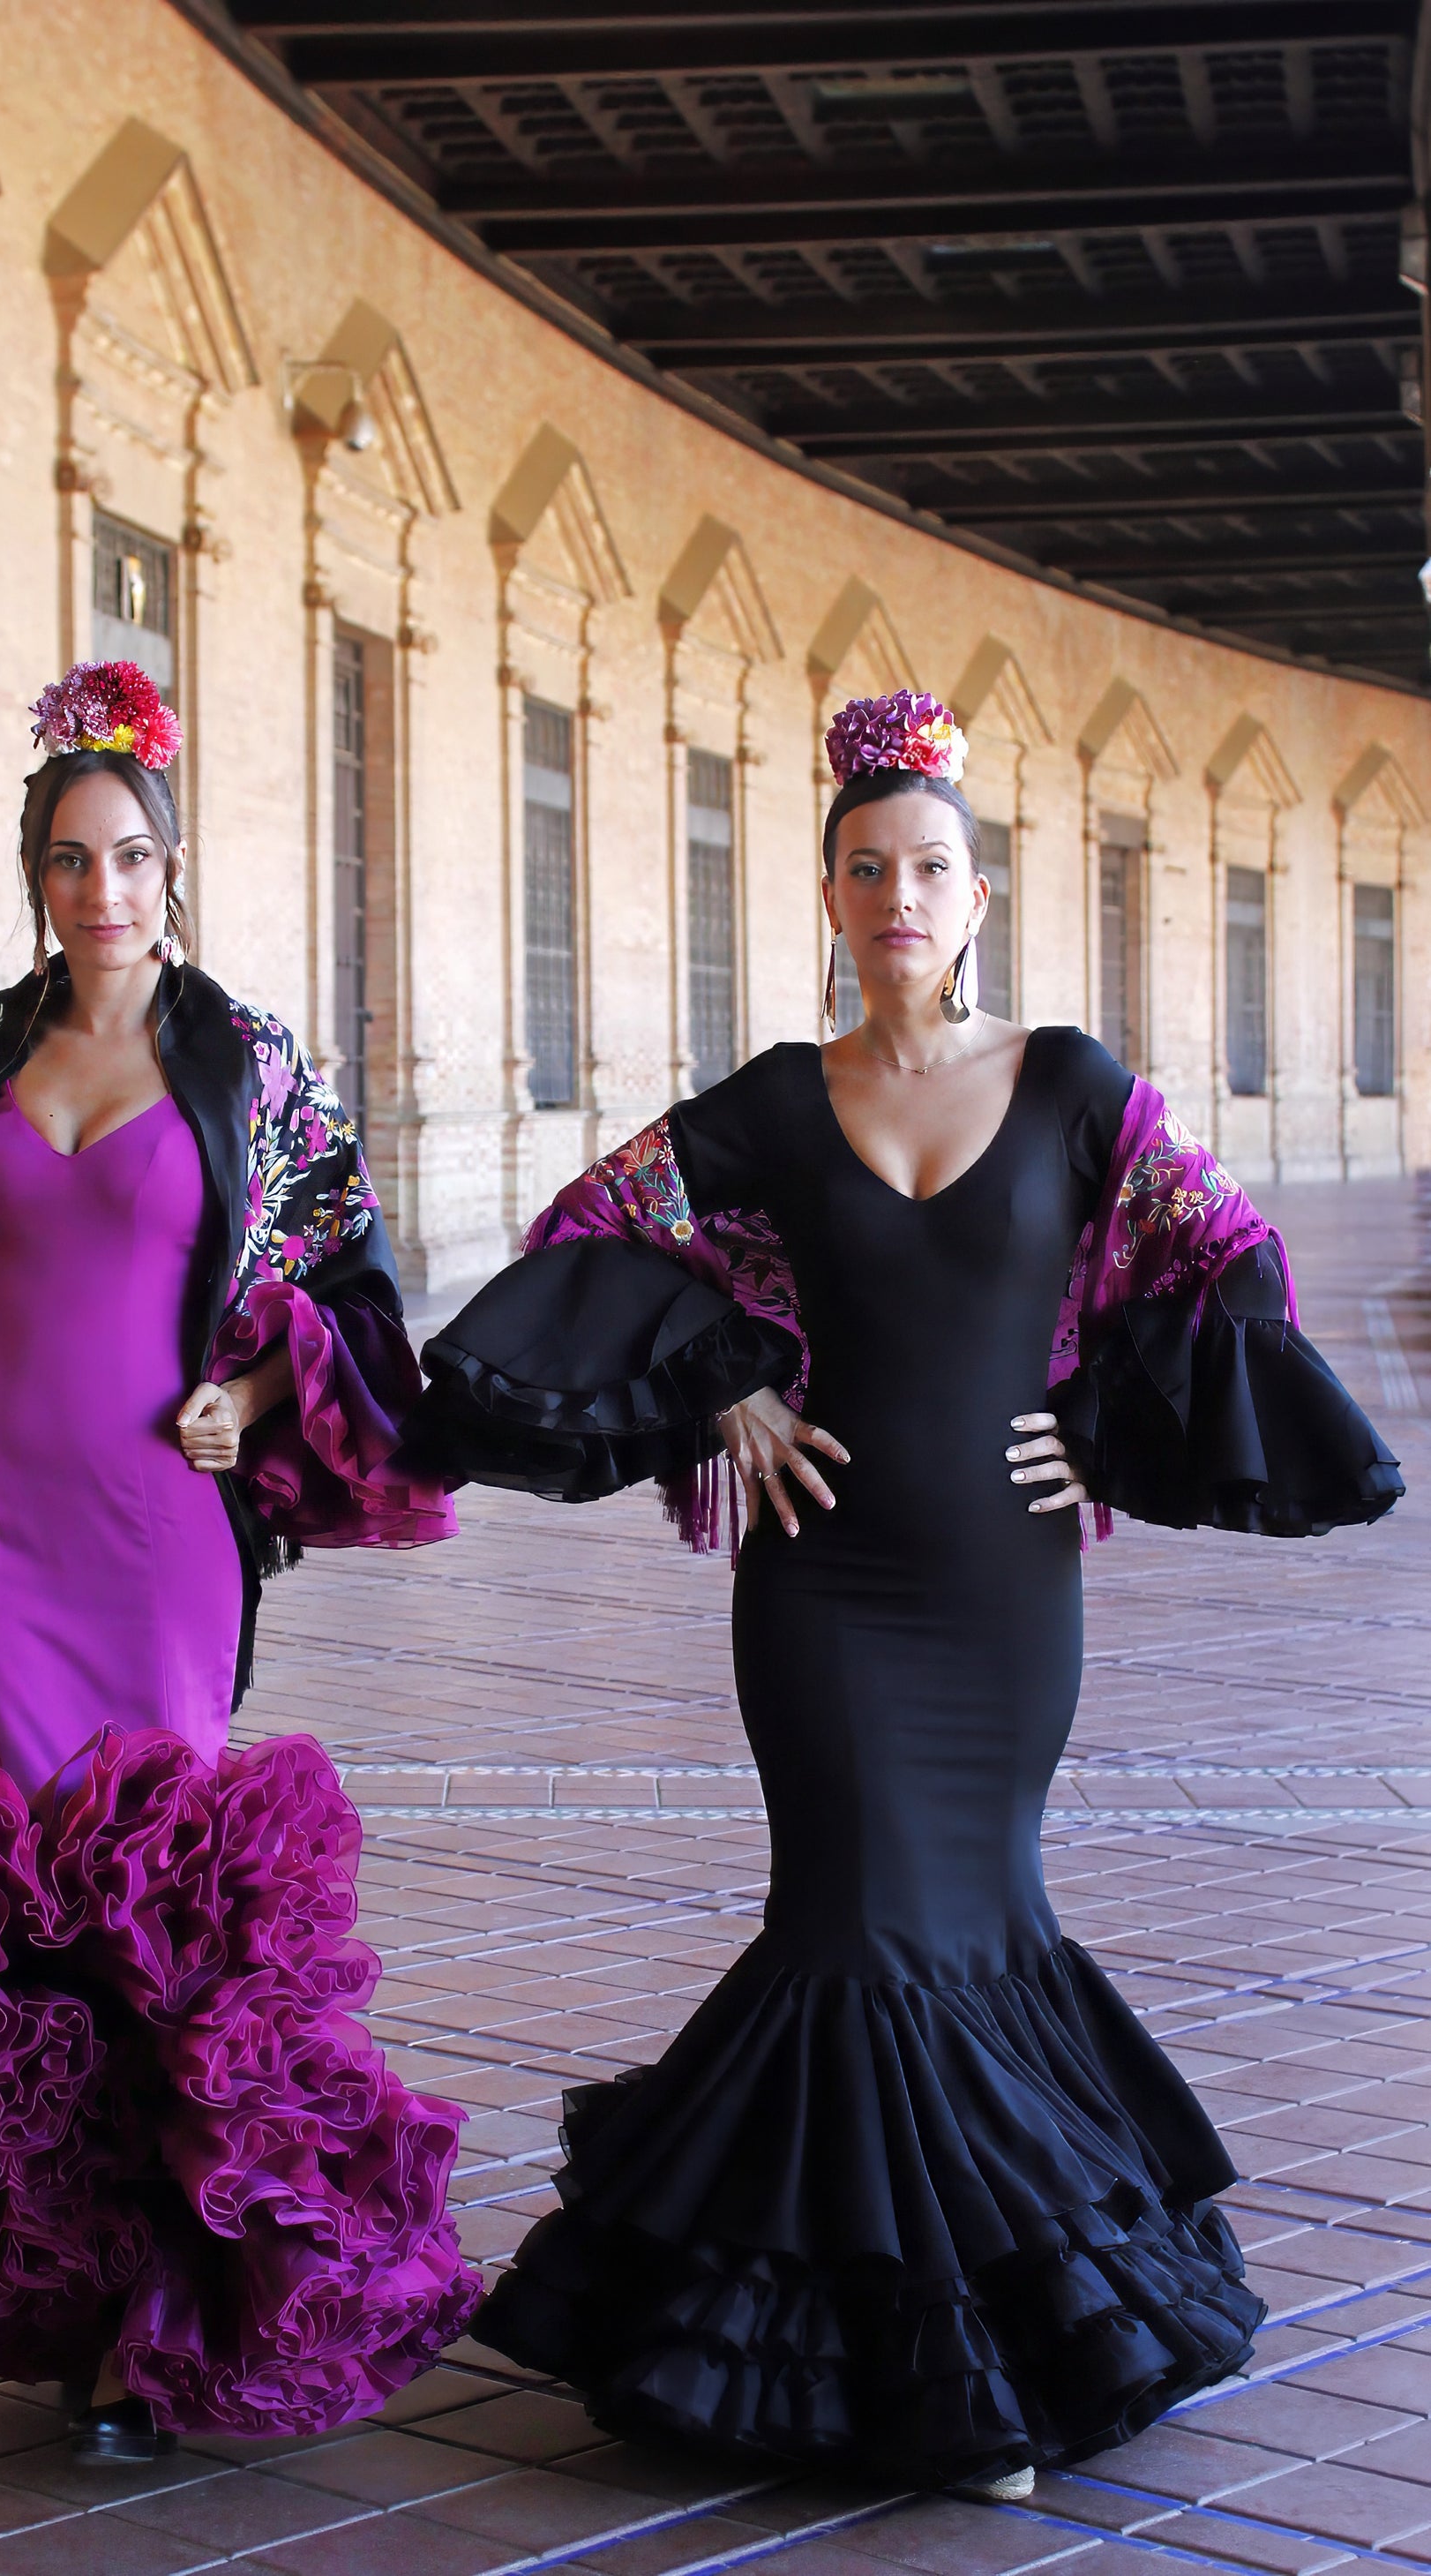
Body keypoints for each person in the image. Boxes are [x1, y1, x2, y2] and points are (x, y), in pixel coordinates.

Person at [408, 688, 1404, 2502]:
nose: (898, 897)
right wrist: (724, 1381)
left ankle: (973, 2344)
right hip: (823, 1584)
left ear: (976, 891)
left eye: (928, 867)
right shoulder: (780, 1100)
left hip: (1002, 1594)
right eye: (865, 869)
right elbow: (591, 1225)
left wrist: (1102, 1430)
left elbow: (1226, 1257)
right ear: (829, 894)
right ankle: (939, 2360)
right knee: (853, 1920)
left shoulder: (1075, 1083)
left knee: (971, 1920)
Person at [0, 661, 478, 2464]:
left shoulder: (246, 1064)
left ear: (173, 867)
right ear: (36, 874)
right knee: (18, 1914)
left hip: (156, 1531)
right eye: (71, 861)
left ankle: (181, 2301)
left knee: (155, 1907)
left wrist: (247, 1383)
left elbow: (352, 1282)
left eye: (131, 856)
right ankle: (69, 2299)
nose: (103, 891)